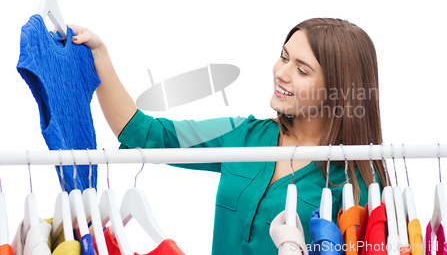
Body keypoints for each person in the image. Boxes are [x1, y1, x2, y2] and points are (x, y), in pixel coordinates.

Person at [68, 17, 387, 255]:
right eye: (284, 56)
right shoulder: (243, 135)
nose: (281, 72)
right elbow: (144, 133)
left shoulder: (357, 181)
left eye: (302, 70)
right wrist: (101, 56)